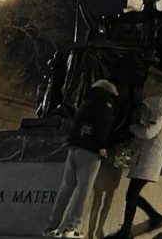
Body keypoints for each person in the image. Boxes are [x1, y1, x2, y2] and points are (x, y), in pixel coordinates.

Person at [44, 79, 118, 238]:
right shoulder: (105, 103)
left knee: (66, 189)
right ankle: (70, 228)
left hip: (74, 148)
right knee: (82, 191)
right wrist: (102, 146)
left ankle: (52, 227)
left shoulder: (87, 100)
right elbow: (103, 126)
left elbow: (76, 124)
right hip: (90, 151)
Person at [110, 93, 162, 238]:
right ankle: (149, 218)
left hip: (148, 162)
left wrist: (133, 128)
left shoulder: (159, 118)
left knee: (132, 194)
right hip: (145, 161)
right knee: (132, 194)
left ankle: (129, 228)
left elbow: (149, 133)